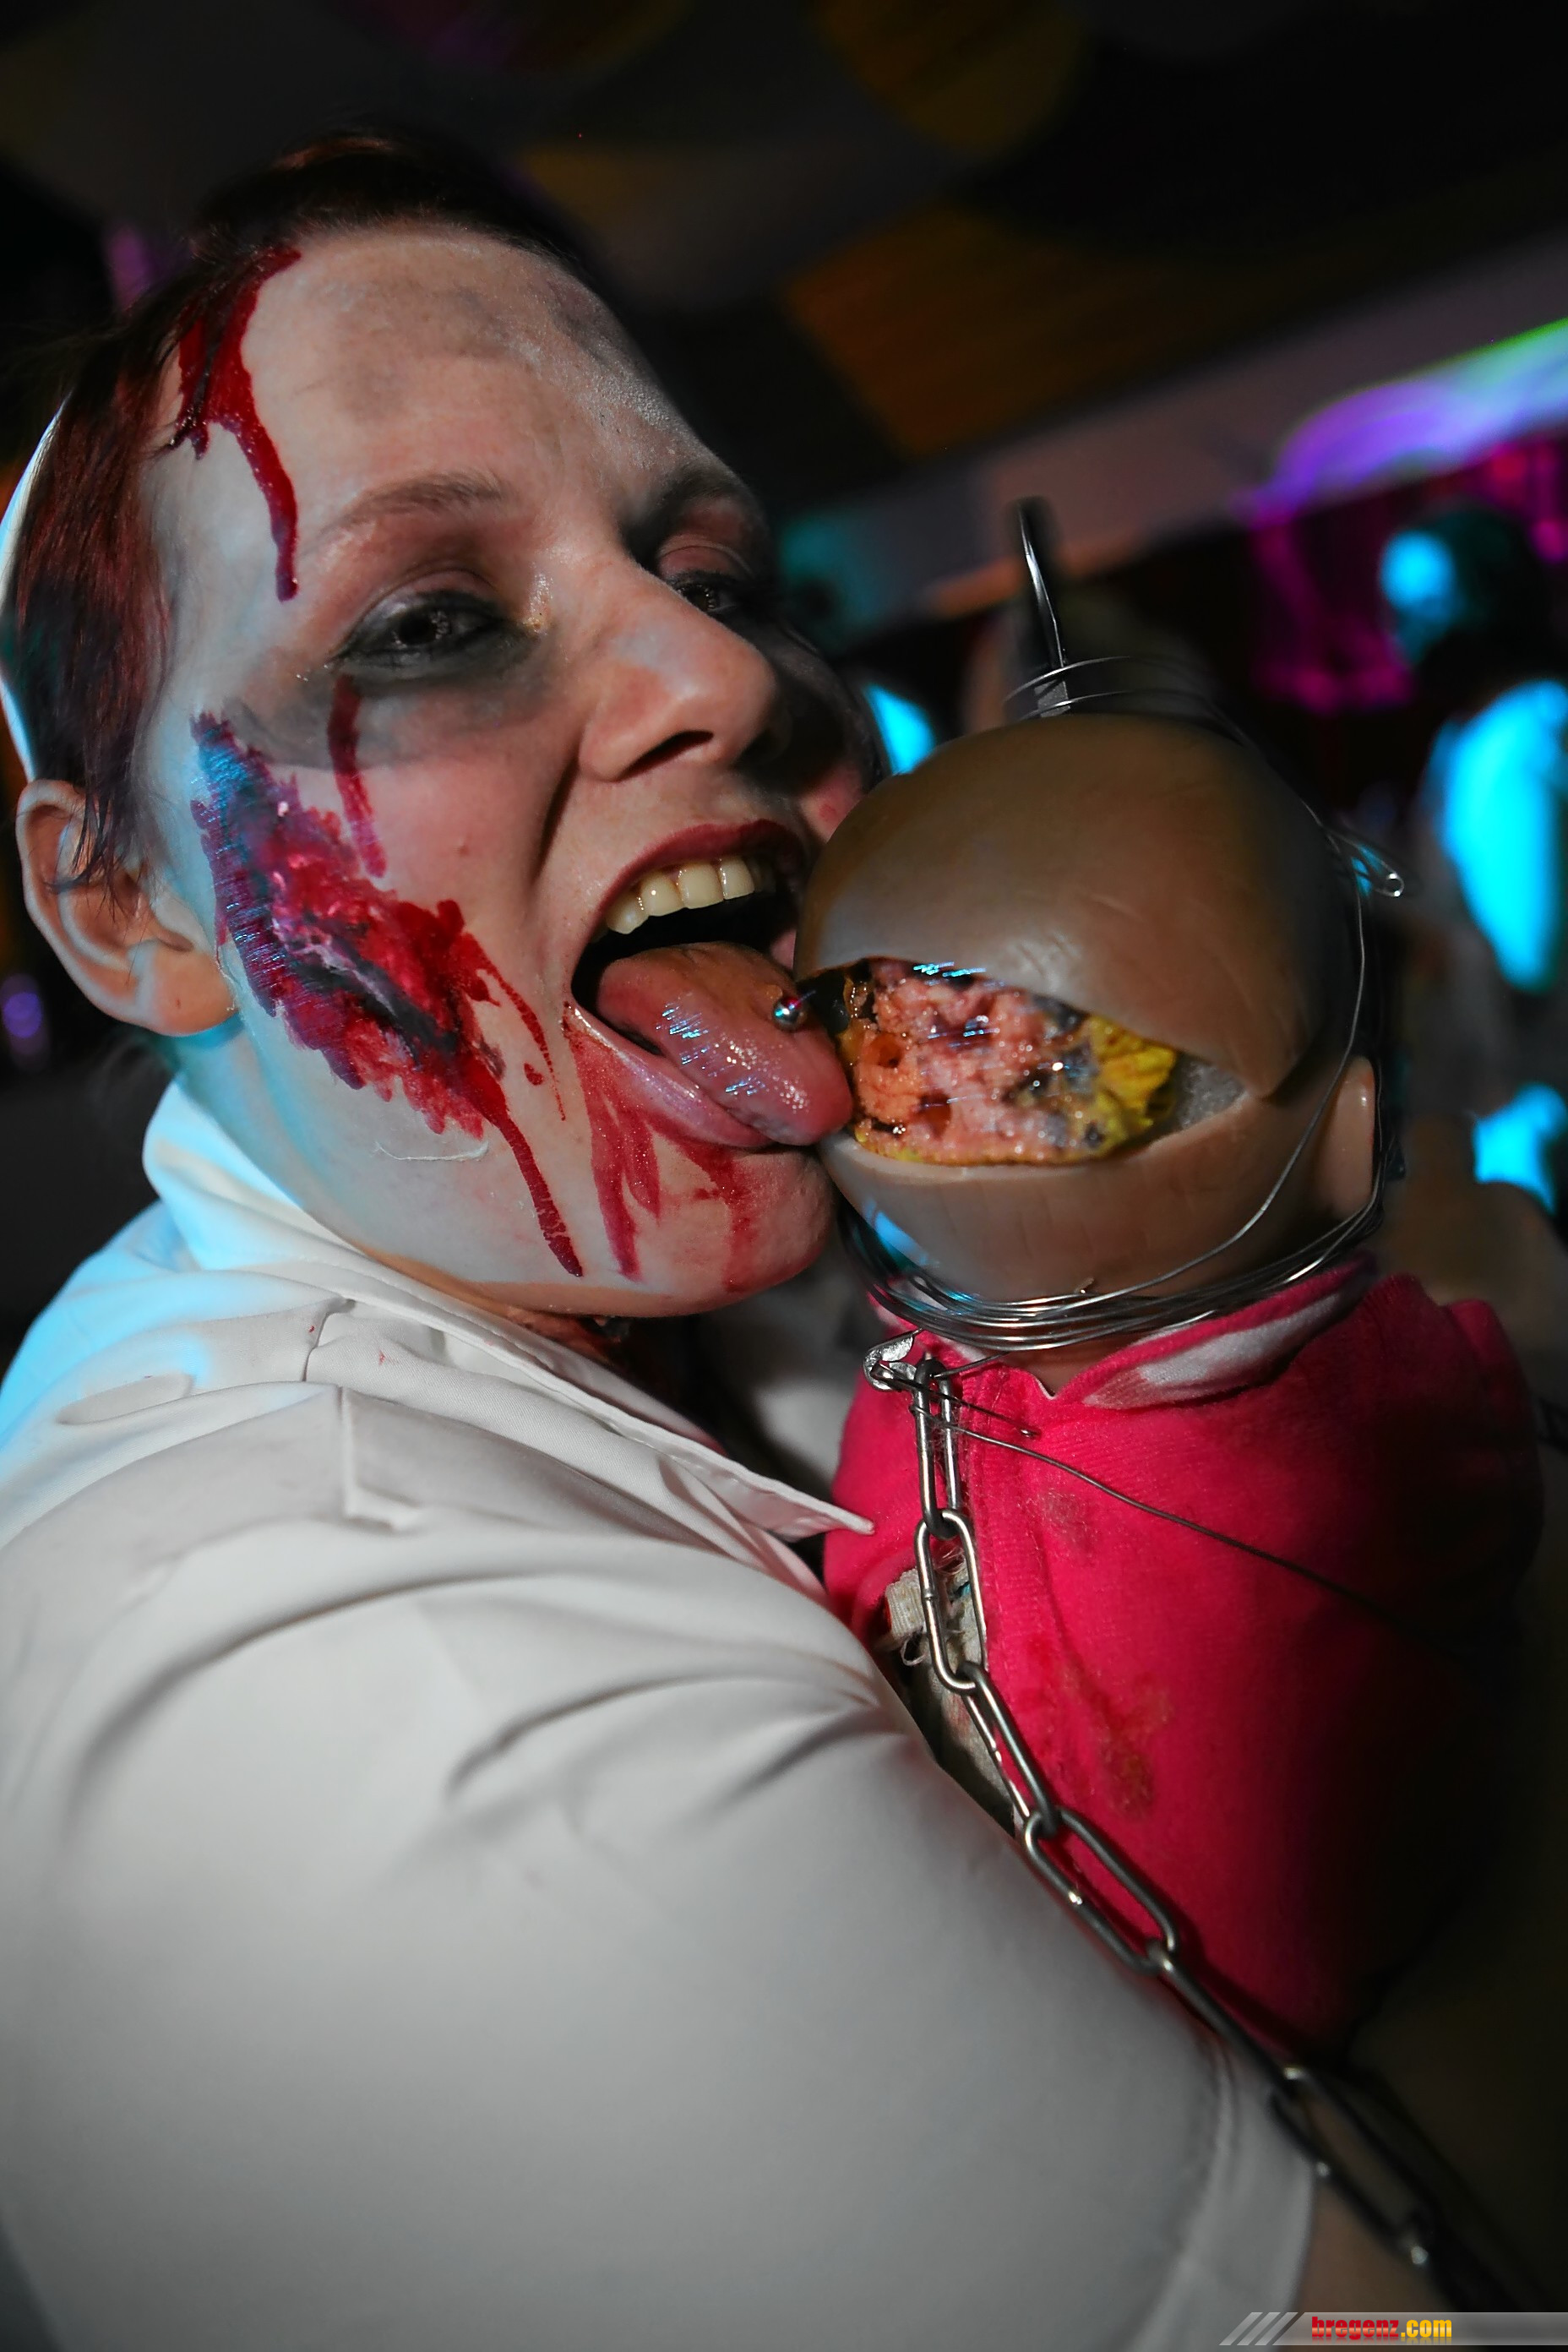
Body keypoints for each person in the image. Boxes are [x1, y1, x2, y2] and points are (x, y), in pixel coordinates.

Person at [0, 131, 1445, 2349]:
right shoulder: (347, 1694)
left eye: (722, 571)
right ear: (125, 907)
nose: (730, 673)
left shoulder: (767, 1279)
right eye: (431, 622)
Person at [792, 710, 1538, 2055]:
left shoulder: (1373, 1442)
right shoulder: (1420, 1405)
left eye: (1043, 1058)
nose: (968, 1072)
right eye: (908, 1042)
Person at [1380, 505, 1568, 1213]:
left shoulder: (1518, 740)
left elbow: (1527, 955)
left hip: (1537, 1111)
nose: (1410, 634)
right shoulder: (1477, 737)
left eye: (1431, 606)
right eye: (1399, 613)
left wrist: (1399, 913)